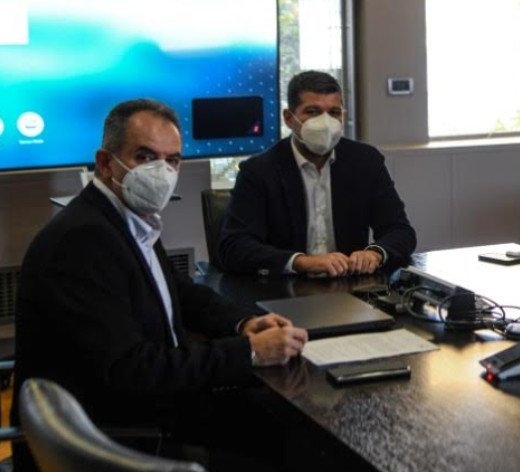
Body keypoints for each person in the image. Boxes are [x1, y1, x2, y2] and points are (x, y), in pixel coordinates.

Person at [14, 99, 309, 469]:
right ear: (105, 163)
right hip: (119, 440)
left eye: (173, 160)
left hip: (154, 406)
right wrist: (249, 351)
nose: (162, 172)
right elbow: (130, 369)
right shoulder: (82, 240)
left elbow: (177, 291)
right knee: (296, 446)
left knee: (288, 428)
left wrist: (243, 324)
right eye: (145, 157)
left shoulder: (125, 217)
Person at [219, 71, 416, 277]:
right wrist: (300, 262)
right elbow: (234, 246)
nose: (325, 122)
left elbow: (400, 230)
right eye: (312, 111)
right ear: (289, 118)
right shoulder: (259, 171)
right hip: (285, 287)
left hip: (350, 284)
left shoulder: (365, 161)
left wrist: (375, 253)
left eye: (334, 112)